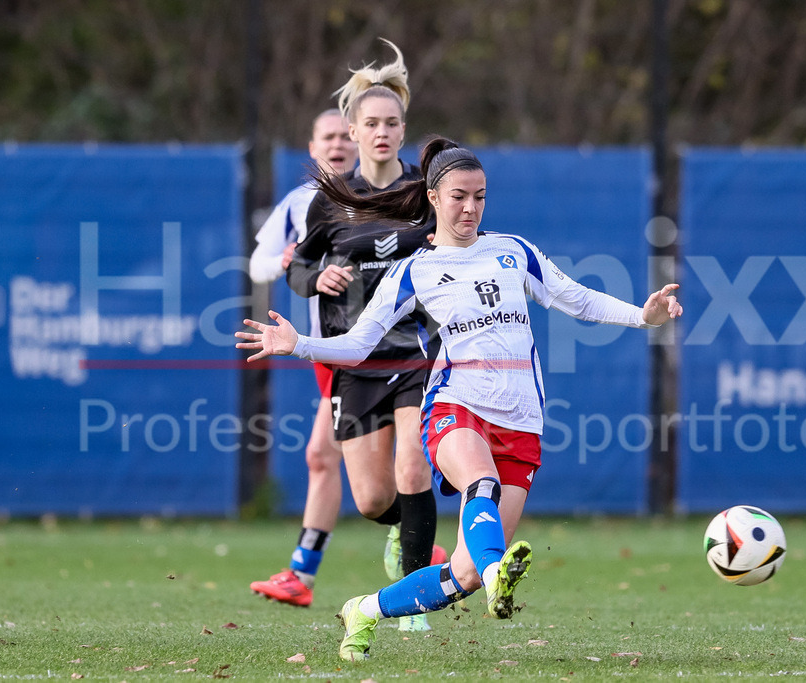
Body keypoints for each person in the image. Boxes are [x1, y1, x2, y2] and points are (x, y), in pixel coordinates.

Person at [235, 136, 684, 661]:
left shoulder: (513, 252)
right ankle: (500, 575)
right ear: (431, 197)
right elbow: (359, 344)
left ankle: (366, 610)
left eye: (480, 196)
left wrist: (641, 316)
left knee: (462, 576)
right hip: (456, 404)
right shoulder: (415, 271)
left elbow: (577, 298)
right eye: (458, 197)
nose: (470, 207)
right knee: (481, 484)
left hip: (522, 419)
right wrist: (300, 345)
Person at [283, 39, 445, 631]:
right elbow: (298, 270)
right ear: (351, 130)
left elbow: (459, 250)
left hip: (415, 353)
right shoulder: (330, 199)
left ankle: (412, 599)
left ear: (403, 129)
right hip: (354, 362)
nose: (381, 132)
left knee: (411, 471)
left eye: (391, 123)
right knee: (374, 500)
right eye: (370, 123)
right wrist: (315, 276)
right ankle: (407, 535)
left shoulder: (423, 193)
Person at [246, 110, 358, 608]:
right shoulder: (300, 204)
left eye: (344, 135)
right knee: (329, 458)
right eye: (327, 137)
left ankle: (302, 572)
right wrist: (286, 262)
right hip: (327, 351)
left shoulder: (386, 198)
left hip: (386, 352)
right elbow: (258, 263)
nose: (337, 144)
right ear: (311, 148)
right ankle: (425, 546)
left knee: (328, 457)